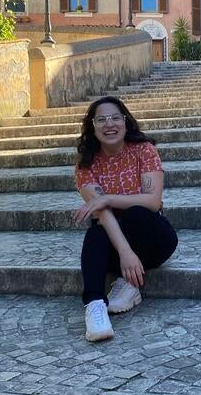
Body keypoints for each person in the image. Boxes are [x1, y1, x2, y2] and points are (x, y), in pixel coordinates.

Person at [73, 96, 178, 342]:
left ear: (125, 121)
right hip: (115, 243)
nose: (109, 125)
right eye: (101, 120)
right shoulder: (86, 165)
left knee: (137, 214)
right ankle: (95, 306)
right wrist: (125, 252)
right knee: (96, 233)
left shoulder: (144, 151)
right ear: (93, 126)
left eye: (115, 118)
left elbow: (153, 201)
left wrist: (107, 198)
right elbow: (102, 214)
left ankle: (128, 284)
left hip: (154, 238)